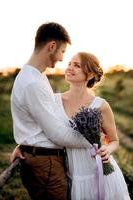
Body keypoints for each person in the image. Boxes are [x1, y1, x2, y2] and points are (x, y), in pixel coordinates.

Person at [10, 22, 91, 200]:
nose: (62, 59)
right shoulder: (33, 82)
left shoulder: (35, 77)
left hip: (44, 160)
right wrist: (92, 142)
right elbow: (57, 134)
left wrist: (25, 143)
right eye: (62, 51)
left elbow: (38, 121)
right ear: (51, 46)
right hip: (46, 165)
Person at [54, 52, 131, 200]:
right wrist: (22, 146)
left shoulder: (101, 105)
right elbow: (43, 129)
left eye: (76, 65)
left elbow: (114, 140)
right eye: (69, 64)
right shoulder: (55, 101)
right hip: (74, 175)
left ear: (89, 75)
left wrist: (107, 150)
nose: (69, 68)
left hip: (103, 174)